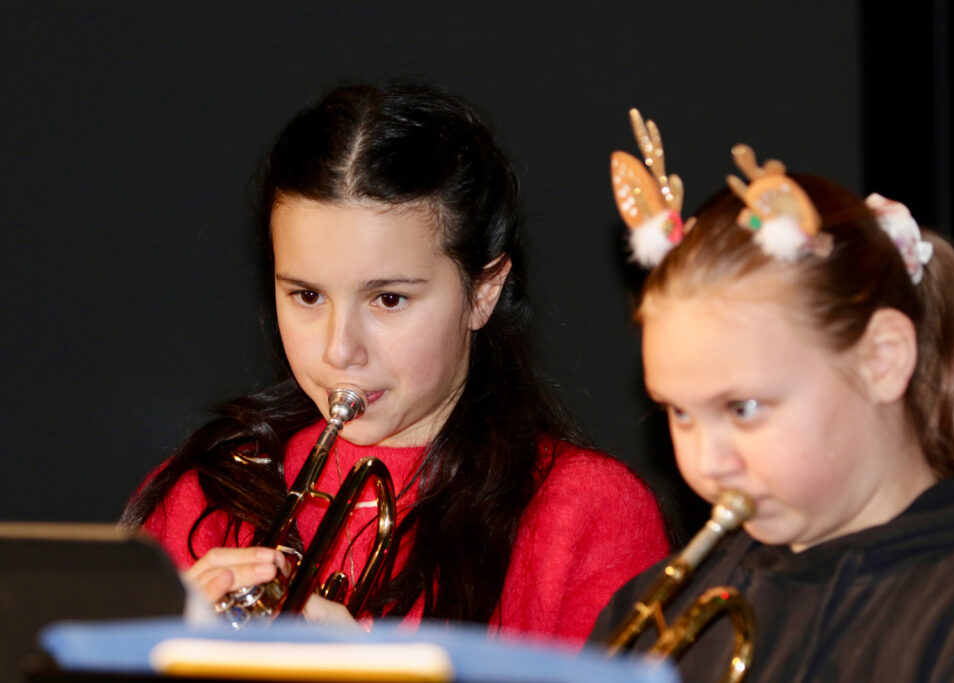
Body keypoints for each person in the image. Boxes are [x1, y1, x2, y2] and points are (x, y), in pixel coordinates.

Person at [121, 81, 669, 646]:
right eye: (307, 296)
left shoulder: (586, 512)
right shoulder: (203, 495)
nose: (339, 350)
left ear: (483, 291)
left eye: (388, 299)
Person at [590, 111, 954, 680]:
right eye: (679, 413)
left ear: (883, 359)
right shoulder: (654, 611)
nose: (708, 462)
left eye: (743, 408)